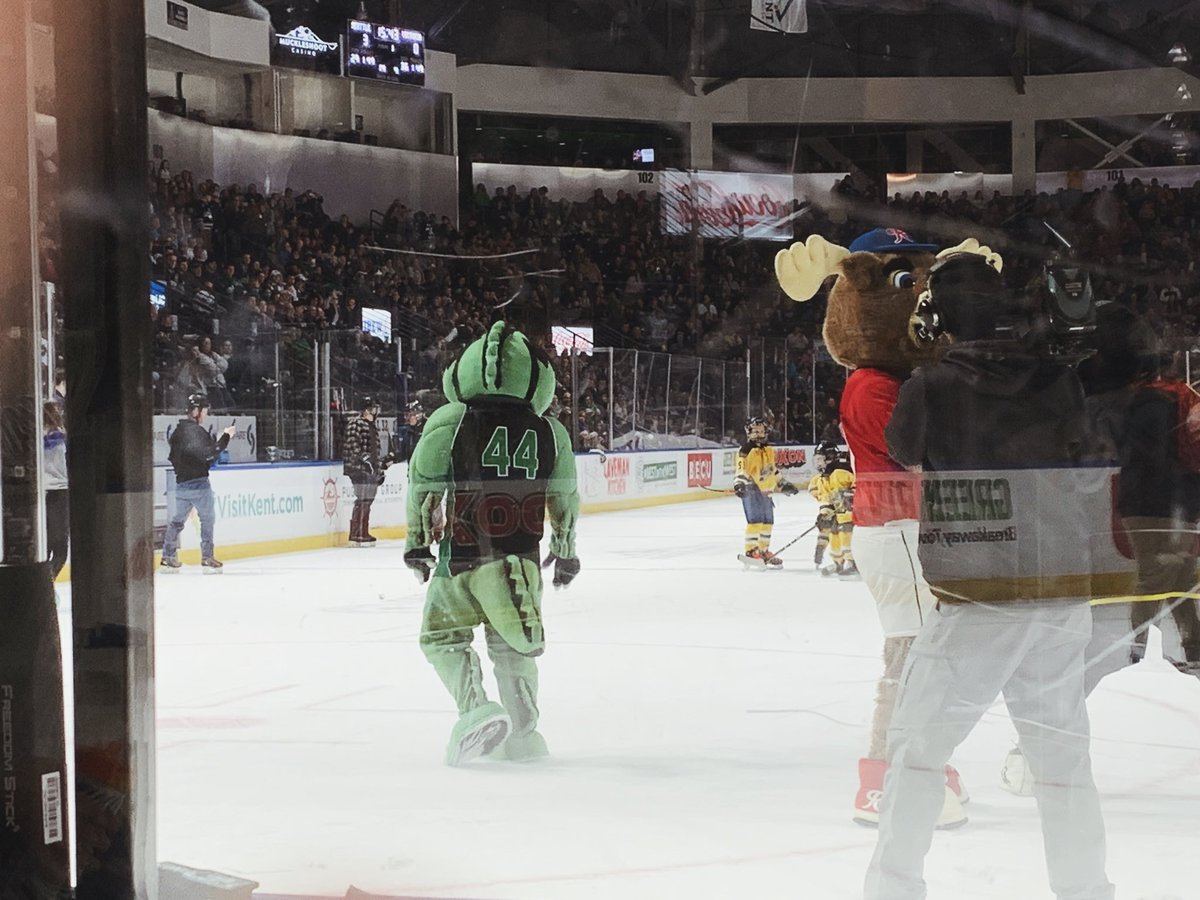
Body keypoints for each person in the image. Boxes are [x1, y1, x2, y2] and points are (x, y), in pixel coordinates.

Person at [865, 252, 1115, 900]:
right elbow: (1087, 457)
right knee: (1063, 763)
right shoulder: (1058, 378)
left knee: (916, 753)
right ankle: (1087, 890)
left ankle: (892, 890)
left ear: (938, 315)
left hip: (979, 596)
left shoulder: (933, 385)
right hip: (1060, 592)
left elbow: (899, 447)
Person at [404, 321, 580, 766]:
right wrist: (565, 548)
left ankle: (475, 709)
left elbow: (422, 486)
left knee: (442, 637)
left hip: (462, 557)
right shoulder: (550, 430)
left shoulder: (451, 419)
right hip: (520, 561)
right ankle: (524, 736)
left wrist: (417, 543)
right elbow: (565, 497)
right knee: (512, 650)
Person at [160, 393, 235, 573]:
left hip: (181, 485)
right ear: (196, 411)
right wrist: (225, 437)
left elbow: (175, 457)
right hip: (199, 485)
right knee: (207, 520)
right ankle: (207, 557)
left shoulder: (178, 432)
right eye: (204, 411)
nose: (206, 415)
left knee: (177, 521)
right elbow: (209, 454)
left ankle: (167, 556)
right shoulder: (196, 432)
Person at [733, 416, 800, 568]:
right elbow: (741, 468)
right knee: (755, 521)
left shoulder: (769, 450)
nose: (758, 434)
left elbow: (772, 470)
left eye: (761, 431)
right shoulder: (745, 451)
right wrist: (739, 483)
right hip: (751, 489)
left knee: (768, 523)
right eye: (755, 431)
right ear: (748, 432)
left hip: (766, 491)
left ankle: (763, 551)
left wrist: (783, 484)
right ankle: (751, 551)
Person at [808, 440, 857, 576]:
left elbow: (857, 483)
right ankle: (838, 563)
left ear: (829, 458)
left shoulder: (842, 471)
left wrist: (852, 495)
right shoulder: (824, 477)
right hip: (837, 516)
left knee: (845, 535)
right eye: (816, 459)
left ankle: (853, 563)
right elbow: (826, 499)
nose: (818, 462)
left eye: (820, 459)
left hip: (849, 515)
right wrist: (824, 514)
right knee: (834, 535)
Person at [342, 396, 383, 546]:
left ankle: (362, 531)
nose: (376, 412)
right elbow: (353, 447)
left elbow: (373, 450)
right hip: (358, 468)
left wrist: (377, 467)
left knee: (367, 499)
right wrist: (365, 462)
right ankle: (357, 533)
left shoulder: (370, 425)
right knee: (363, 498)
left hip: (368, 468)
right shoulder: (356, 423)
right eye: (373, 408)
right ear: (366, 410)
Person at [43, 401, 69, 579]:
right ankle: (47, 583)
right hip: (57, 491)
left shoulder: (31, 437)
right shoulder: (59, 435)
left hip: (41, 491)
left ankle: (45, 583)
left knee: (46, 546)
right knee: (59, 549)